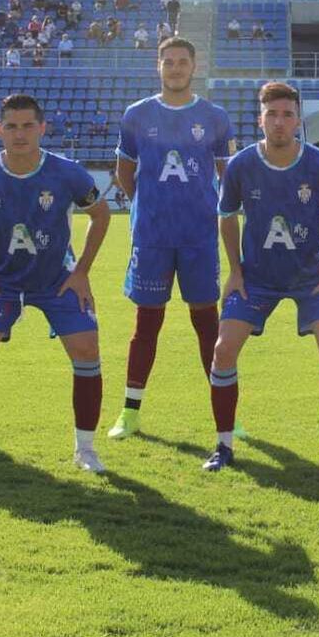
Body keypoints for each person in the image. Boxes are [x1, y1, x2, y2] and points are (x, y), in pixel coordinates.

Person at [0, 94, 112, 475]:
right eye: (12, 126)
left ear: (42, 128)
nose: (20, 134)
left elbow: (100, 215)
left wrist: (82, 272)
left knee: (86, 350)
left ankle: (86, 450)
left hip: (57, 280)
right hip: (1, 280)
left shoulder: (67, 172)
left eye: (28, 126)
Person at [205, 81, 319, 473]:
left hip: (311, 276)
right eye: (271, 114)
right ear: (260, 119)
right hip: (256, 276)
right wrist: (235, 271)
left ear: (297, 120)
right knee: (223, 349)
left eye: (287, 114)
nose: (279, 122)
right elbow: (226, 217)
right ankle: (223, 445)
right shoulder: (241, 165)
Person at [106, 37, 236, 439]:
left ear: (194, 66)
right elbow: (124, 173)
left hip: (199, 235)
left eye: (182, 62)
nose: (175, 68)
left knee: (207, 323)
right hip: (152, 236)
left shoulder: (214, 116)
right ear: (158, 66)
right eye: (169, 62)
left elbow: (227, 177)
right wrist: (149, 206)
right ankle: (129, 413)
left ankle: (226, 417)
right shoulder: (137, 114)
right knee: (147, 324)